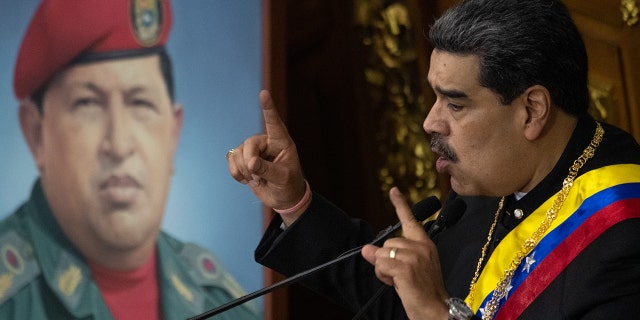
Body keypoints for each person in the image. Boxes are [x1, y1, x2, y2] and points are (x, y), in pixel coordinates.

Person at [227, 0, 640, 318]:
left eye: (455, 105)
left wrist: (435, 313)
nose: (430, 122)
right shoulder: (492, 178)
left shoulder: (623, 244)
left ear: (531, 110)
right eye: (435, 96)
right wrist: (294, 201)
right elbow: (394, 302)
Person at [0, 0, 261, 319]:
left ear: (173, 135)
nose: (120, 144)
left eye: (140, 103)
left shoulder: (224, 305)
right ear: (36, 135)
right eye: (87, 104)